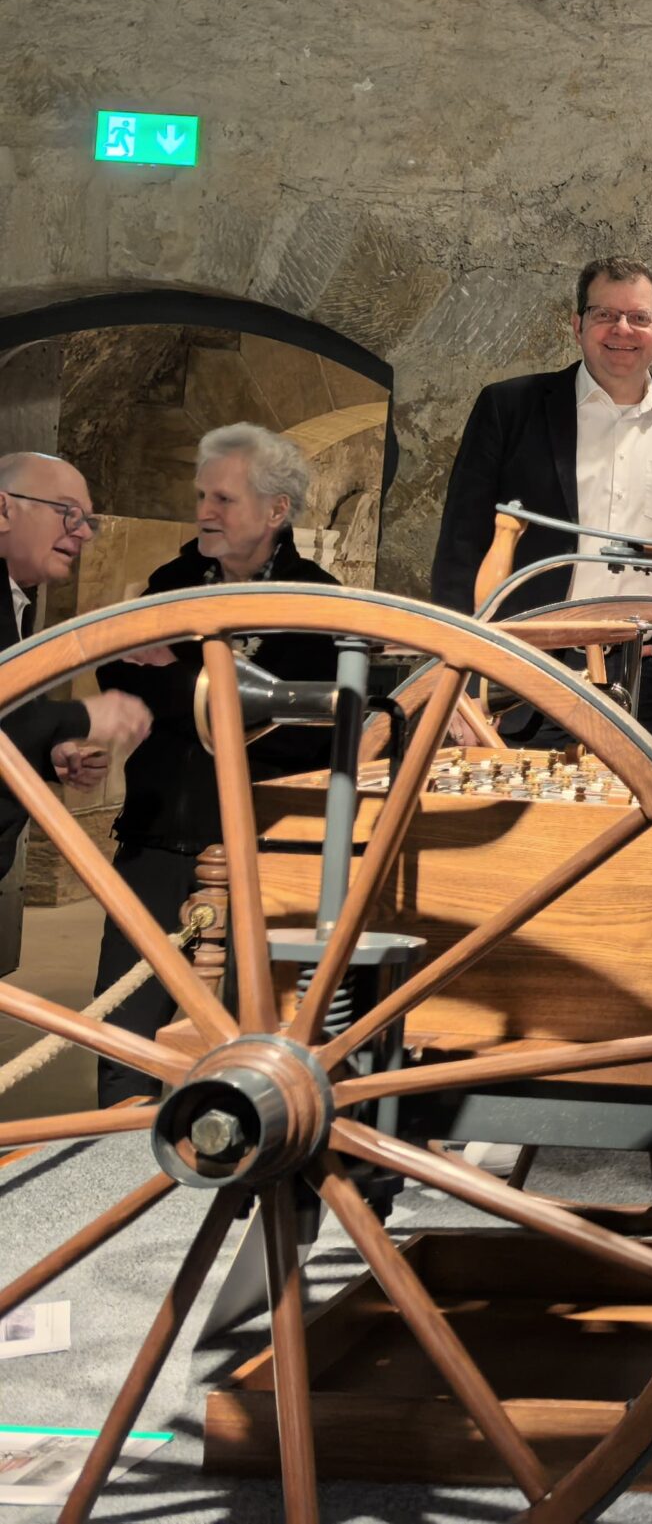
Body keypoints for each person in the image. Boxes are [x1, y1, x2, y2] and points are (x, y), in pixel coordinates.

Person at [92, 426, 341, 1102]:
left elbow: (304, 735)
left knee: (242, 1041)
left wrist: (182, 675)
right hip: (154, 838)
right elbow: (120, 674)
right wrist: (214, 696)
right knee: (122, 1037)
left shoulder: (317, 599)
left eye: (223, 498)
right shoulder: (171, 582)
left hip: (260, 853)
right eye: (202, 494)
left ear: (275, 511)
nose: (204, 510)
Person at [430, 256, 652, 746]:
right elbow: (459, 552)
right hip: (519, 677)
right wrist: (459, 673)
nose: (622, 329)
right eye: (604, 314)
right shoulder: (509, 409)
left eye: (639, 317)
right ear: (577, 325)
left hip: (644, 680)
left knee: (637, 819)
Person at [0, 454, 151, 976]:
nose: (83, 532)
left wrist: (51, 751)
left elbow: (6, 715)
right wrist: (84, 718)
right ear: (2, 510)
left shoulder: (15, 596)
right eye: (68, 513)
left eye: (88, 519)